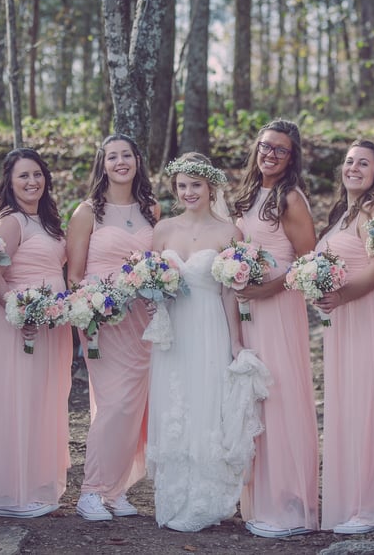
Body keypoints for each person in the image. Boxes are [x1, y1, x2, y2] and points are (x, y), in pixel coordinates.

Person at [146, 153, 247, 532]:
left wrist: (235, 340)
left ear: (211, 187)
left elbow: (229, 293)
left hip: (209, 324)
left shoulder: (229, 232)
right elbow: (152, 282)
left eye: (196, 185)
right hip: (174, 328)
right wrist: (152, 288)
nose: (189, 192)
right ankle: (174, 496)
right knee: (175, 403)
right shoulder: (163, 230)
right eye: (182, 186)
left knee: (206, 404)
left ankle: (208, 498)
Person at [231, 119, 320, 538]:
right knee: (254, 398)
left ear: (291, 157)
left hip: (279, 308)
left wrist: (267, 289)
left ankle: (289, 503)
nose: (270, 154)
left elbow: (308, 262)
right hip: (249, 309)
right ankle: (258, 499)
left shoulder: (291, 199)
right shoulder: (248, 194)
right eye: (265, 146)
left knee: (280, 395)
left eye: (280, 150)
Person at [66, 133, 161, 521]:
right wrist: (87, 312)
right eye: (112, 157)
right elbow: (74, 275)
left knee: (135, 407)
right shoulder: (88, 211)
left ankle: (116, 488)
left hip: (142, 321)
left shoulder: (151, 210)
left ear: (137, 160)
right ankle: (90, 491)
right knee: (113, 404)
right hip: (103, 321)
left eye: (127, 155)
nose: (120, 162)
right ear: (102, 164)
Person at [312, 140, 374, 534]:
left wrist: (341, 295)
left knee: (369, 406)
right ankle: (351, 501)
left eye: (363, 163)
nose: (354, 168)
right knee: (350, 406)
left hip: (369, 316)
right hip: (345, 321)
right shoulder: (343, 213)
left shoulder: (372, 211)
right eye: (349, 161)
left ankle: (371, 506)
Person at [0, 148, 72, 519]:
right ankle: (9, 493)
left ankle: (35, 482)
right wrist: (17, 311)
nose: (32, 182)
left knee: (42, 401)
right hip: (15, 324)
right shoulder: (9, 222)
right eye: (23, 176)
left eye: (37, 174)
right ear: (10, 181)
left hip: (49, 323)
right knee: (15, 401)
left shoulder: (48, 220)